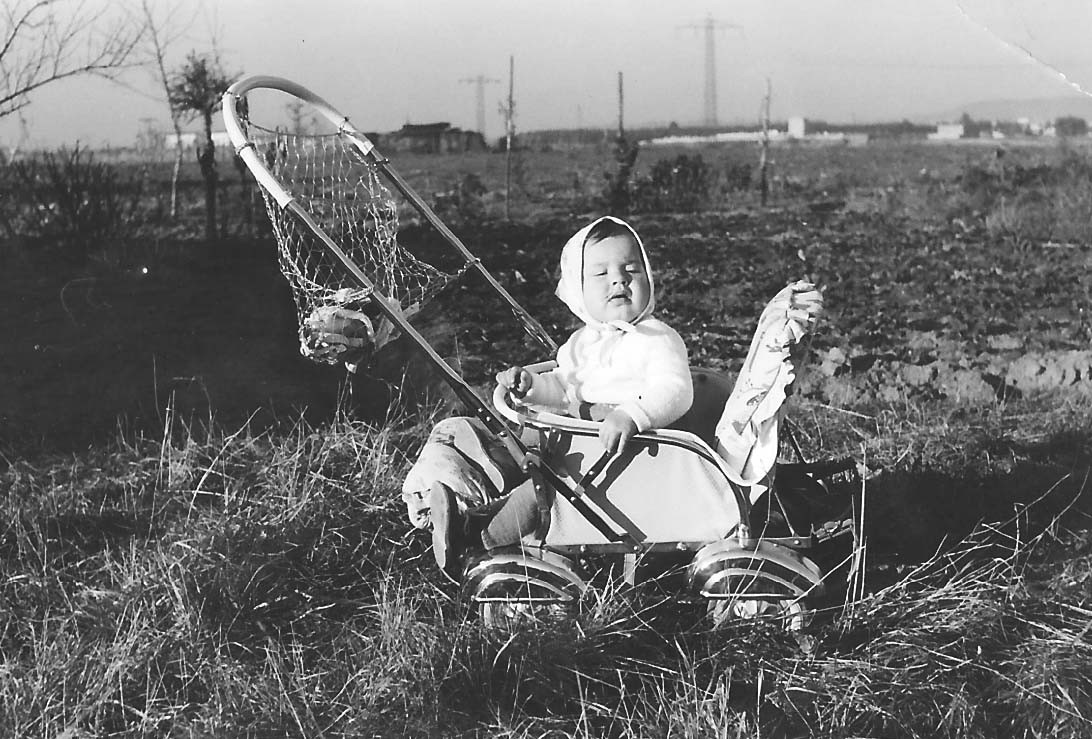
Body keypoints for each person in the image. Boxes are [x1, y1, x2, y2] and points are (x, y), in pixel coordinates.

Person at [402, 215, 694, 573]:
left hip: (608, 460)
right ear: (578, 291)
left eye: (631, 269)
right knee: (489, 438)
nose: (619, 279)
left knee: (540, 496)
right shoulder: (582, 344)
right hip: (570, 439)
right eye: (601, 274)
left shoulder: (656, 340)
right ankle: (469, 474)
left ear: (649, 277)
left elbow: (676, 390)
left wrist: (633, 415)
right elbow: (562, 387)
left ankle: (474, 534)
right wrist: (532, 388)